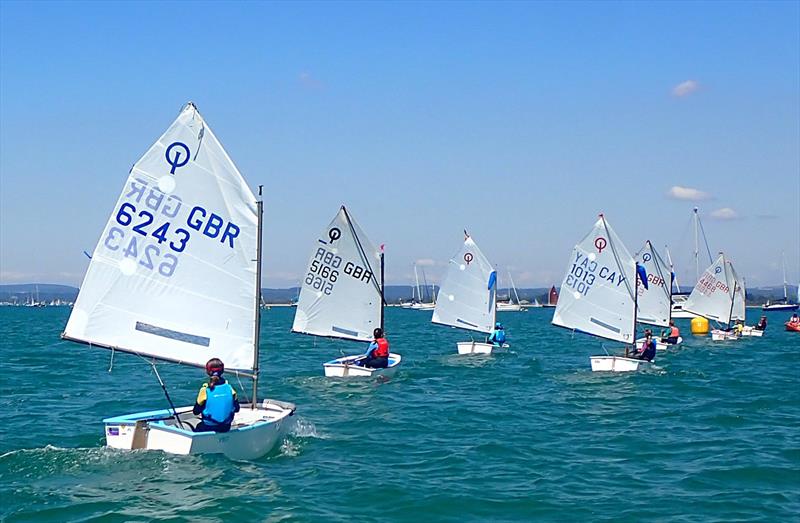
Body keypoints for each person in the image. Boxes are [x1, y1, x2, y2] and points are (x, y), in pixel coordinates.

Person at [193, 358, 240, 433]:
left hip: (209, 427)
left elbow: (196, 411)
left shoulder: (205, 390)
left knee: (198, 426)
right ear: (222, 371)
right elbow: (237, 409)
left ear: (207, 371)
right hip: (226, 426)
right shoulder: (230, 388)